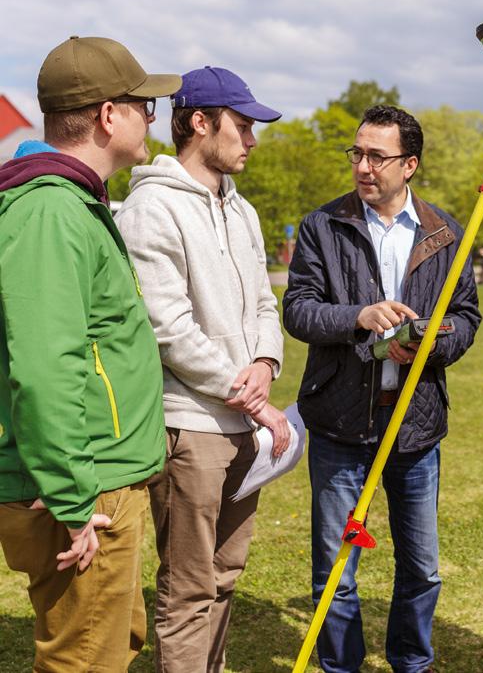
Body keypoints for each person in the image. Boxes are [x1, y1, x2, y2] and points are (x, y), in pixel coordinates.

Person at [0, 36, 179, 671]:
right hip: (83, 489)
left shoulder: (72, 203)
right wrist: (75, 500)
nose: (151, 120)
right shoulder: (51, 211)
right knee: (86, 659)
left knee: (109, 643)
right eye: (144, 106)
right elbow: (47, 370)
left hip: (94, 480)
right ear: (108, 115)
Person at [282, 105, 481, 673]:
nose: (363, 166)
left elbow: (466, 316)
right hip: (341, 425)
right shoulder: (323, 225)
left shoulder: (445, 233)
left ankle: (411, 664)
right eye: (357, 153)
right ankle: (340, 667)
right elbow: (297, 311)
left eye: (377, 156)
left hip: (415, 427)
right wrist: (358, 317)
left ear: (410, 164)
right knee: (335, 571)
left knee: (421, 568)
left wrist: (432, 344)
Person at [115, 66, 290, 672]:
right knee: (189, 587)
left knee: (226, 576)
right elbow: (167, 329)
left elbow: (267, 302)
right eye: (241, 126)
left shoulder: (241, 210)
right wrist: (252, 399)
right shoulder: (151, 208)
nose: (252, 139)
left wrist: (266, 360)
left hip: (244, 427)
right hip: (190, 427)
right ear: (199, 123)